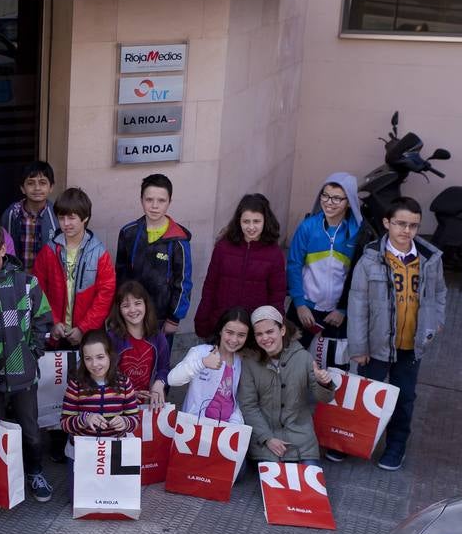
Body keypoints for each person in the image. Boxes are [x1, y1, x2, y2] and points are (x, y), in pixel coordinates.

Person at [347, 197, 447, 471]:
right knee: (366, 395)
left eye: (413, 225)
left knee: (405, 398)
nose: (407, 231)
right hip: (376, 346)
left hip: (411, 347)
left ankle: (395, 447)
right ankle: (350, 441)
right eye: (401, 224)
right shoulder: (370, 259)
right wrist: (359, 346)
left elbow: (439, 292)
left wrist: (435, 321)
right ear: (387, 223)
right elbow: (357, 305)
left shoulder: (430, 259)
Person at [0, 222, 54, 504]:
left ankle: (35, 472)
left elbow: (43, 318)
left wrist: (33, 351)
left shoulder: (26, 283)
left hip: (23, 375)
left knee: (30, 430)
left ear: (3, 250)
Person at [237, 306, 336, 464]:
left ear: (282, 330)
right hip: (265, 443)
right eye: (259, 334)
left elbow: (325, 399)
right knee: (275, 486)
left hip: (301, 442)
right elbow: (248, 406)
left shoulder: (303, 357)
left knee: (309, 484)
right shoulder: (249, 362)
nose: (265, 338)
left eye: (270, 332)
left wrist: (323, 383)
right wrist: (267, 438)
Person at [286, 172, 364, 349]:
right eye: (326, 195)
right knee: (292, 359)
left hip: (337, 313)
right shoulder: (307, 227)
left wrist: (342, 309)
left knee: (331, 366)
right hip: (306, 308)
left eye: (337, 198)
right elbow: (294, 265)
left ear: (349, 202)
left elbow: (357, 276)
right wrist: (299, 304)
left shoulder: (358, 233)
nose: (329, 202)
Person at [115, 174, 193, 347]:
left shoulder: (178, 240)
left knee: (158, 363)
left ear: (169, 202)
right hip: (131, 313)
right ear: (141, 200)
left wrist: (174, 318)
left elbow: (183, 284)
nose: (155, 206)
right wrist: (118, 310)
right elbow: (120, 274)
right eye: (149, 199)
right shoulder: (128, 233)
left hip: (161, 319)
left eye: (161, 200)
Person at [193, 194, 286, 339]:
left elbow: (277, 296)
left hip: (254, 330)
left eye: (256, 221)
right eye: (246, 221)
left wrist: (273, 328)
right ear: (238, 221)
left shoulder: (274, 254)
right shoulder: (223, 247)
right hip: (222, 325)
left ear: (265, 221)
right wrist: (203, 320)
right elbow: (210, 287)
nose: (251, 227)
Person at [33, 187, 116, 344]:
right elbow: (38, 290)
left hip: (88, 335)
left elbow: (105, 296)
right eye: (61, 217)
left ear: (85, 217)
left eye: (71, 218)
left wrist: (84, 328)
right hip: (55, 332)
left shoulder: (99, 253)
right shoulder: (48, 251)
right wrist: (52, 322)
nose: (66, 223)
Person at [168, 307, 253, 423]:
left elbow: (237, 399)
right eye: (229, 332)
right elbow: (172, 379)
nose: (234, 339)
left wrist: (235, 422)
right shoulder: (200, 352)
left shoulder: (241, 360)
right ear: (220, 330)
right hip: (196, 426)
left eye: (241, 335)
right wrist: (202, 363)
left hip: (227, 429)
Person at [59, 329, 140, 446]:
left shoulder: (124, 383)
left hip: (113, 451)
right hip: (82, 450)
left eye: (100, 357)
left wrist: (125, 422)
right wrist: (84, 419)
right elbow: (65, 423)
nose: (94, 364)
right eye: (88, 358)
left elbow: (135, 419)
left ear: (110, 355)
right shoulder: (76, 385)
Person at [105, 281, 170, 409]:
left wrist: (159, 382)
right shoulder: (111, 338)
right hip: (119, 404)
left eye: (137, 303)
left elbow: (164, 368)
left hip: (149, 405)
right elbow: (104, 374)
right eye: (126, 305)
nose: (133, 310)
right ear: (119, 309)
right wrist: (125, 393)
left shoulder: (158, 337)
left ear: (146, 304)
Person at [2, 160, 59, 272]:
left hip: (46, 279)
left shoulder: (57, 214)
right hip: (17, 278)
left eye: (42, 183)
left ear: (51, 187)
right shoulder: (11, 214)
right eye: (30, 183)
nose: (37, 188)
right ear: (23, 188)